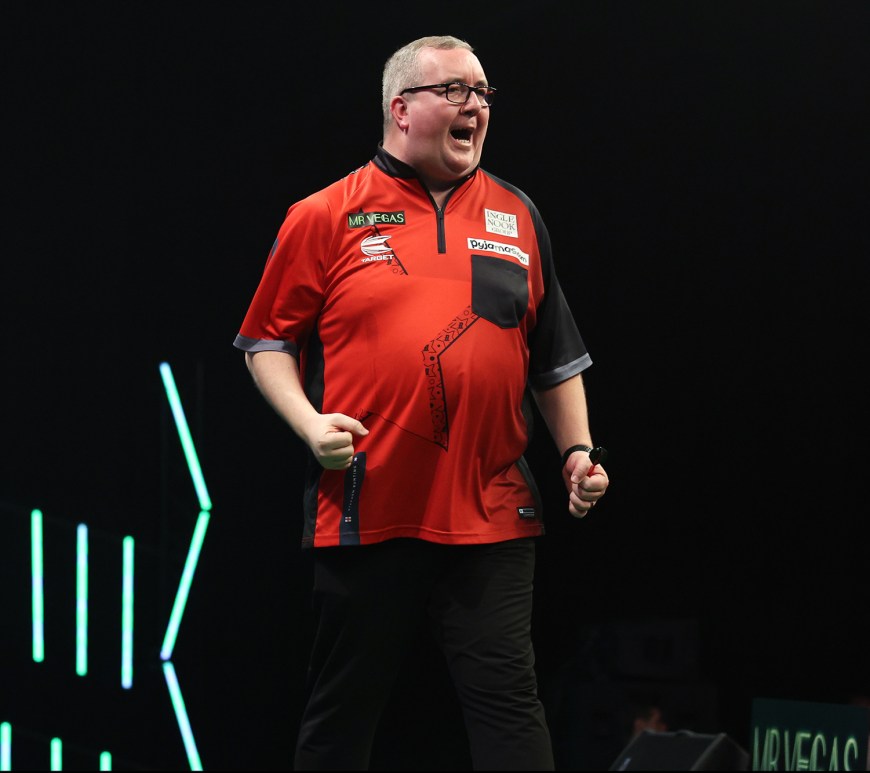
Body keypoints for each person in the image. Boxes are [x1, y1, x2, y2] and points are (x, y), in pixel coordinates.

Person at [233, 34, 610, 770]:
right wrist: (309, 424)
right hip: (368, 505)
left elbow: (554, 357)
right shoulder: (325, 214)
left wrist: (577, 450)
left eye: (483, 93)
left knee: (510, 704)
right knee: (343, 713)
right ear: (401, 109)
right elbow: (266, 343)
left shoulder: (517, 215)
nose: (476, 106)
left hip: (492, 508)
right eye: (456, 91)